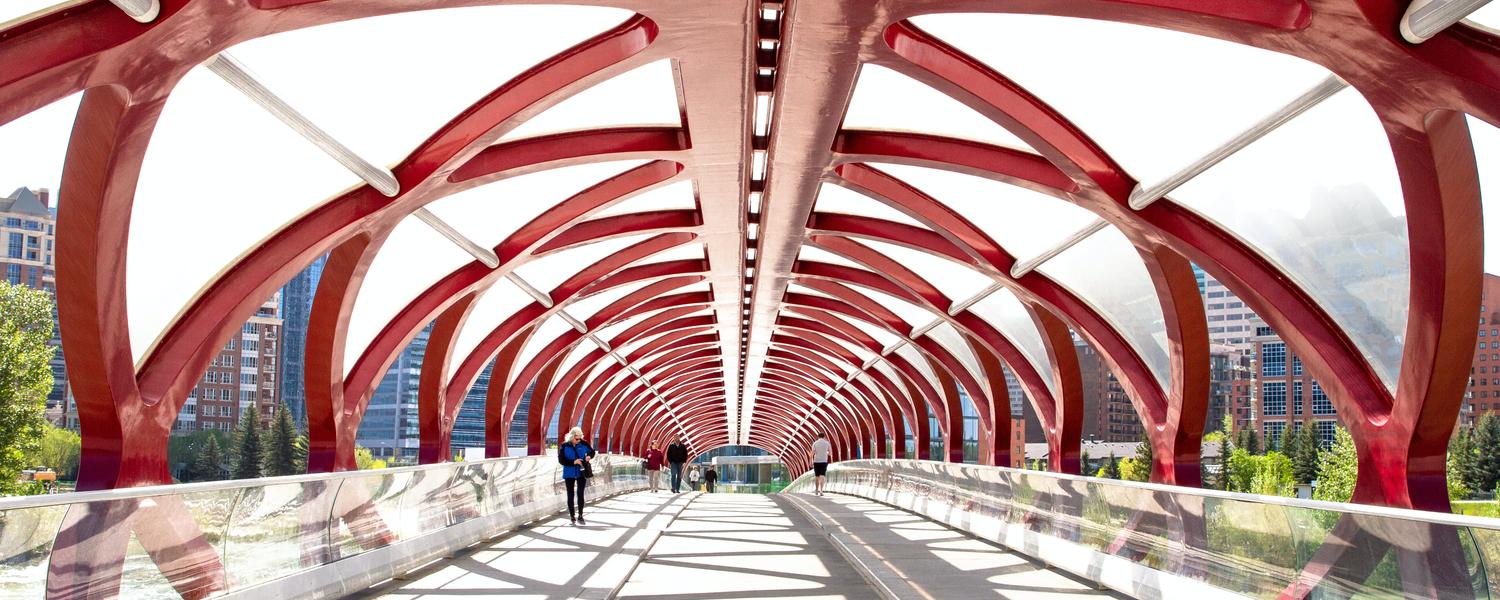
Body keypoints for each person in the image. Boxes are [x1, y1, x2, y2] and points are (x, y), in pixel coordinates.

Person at [559, 427, 596, 525]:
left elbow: (592, 452)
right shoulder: (564, 446)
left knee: (580, 493)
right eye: (577, 439)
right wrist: (573, 462)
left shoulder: (583, 443)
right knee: (570, 494)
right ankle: (572, 516)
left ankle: (580, 515)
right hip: (569, 473)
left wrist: (589, 456)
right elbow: (561, 460)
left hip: (581, 472)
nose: (579, 440)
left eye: (580, 438)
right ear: (572, 437)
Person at [811, 432, 832, 496]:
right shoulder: (827, 443)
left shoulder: (815, 443)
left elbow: (812, 453)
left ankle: (816, 490)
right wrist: (826, 453)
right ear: (824, 437)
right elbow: (830, 453)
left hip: (816, 461)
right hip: (824, 461)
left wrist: (810, 461)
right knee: (822, 476)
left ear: (818, 437)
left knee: (817, 476)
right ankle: (821, 491)